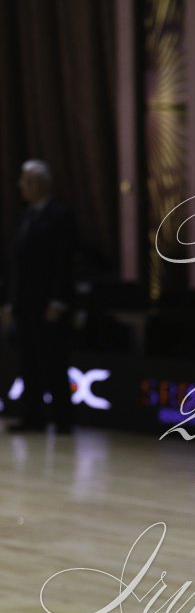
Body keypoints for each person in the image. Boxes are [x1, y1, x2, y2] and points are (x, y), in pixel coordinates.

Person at [3, 160, 75, 432]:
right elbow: (17, 264)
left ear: (39, 183)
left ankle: (63, 418)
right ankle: (33, 416)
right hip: (24, 302)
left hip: (47, 303)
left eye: (25, 181)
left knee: (52, 360)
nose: (21, 186)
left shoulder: (59, 215)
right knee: (28, 360)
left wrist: (58, 301)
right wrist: (11, 302)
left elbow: (63, 263)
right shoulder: (26, 216)